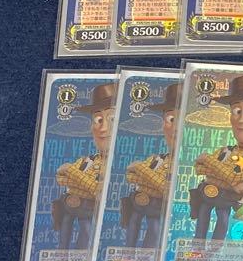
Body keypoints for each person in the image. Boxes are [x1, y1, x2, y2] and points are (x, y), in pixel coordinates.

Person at [54, 82, 116, 251]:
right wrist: (80, 180)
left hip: (96, 218)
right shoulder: (87, 161)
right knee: (68, 227)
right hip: (76, 208)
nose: (103, 128)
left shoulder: (125, 165)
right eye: (98, 120)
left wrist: (74, 175)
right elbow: (61, 176)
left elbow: (100, 191)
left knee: (86, 229)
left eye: (112, 119)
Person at [191, 76, 243, 242]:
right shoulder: (225, 150)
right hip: (208, 195)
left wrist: (213, 168)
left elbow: (238, 183)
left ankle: (214, 249)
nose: (242, 119)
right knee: (202, 218)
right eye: (236, 111)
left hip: (227, 199)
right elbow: (200, 168)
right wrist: (222, 174)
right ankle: (197, 246)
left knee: (223, 221)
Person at [121, 81, 179, 249]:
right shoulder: (157, 159)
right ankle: (129, 254)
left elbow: (167, 189)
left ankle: (147, 258)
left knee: (154, 228)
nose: (175, 128)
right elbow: (131, 175)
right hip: (140, 203)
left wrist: (143, 172)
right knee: (133, 222)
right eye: (171, 119)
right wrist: (147, 175)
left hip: (157, 208)